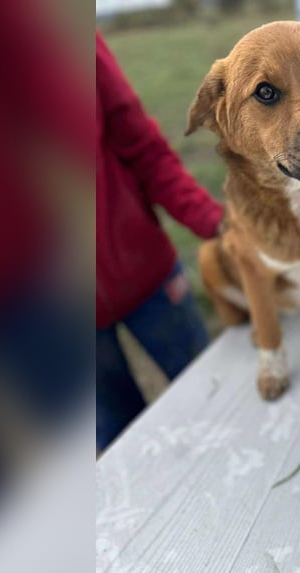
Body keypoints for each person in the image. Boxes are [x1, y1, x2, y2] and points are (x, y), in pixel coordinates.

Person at [96, 32, 224, 451]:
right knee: (118, 442)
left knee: (212, 399)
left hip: (146, 274)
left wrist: (215, 222)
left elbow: (144, 147)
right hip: (40, 320)